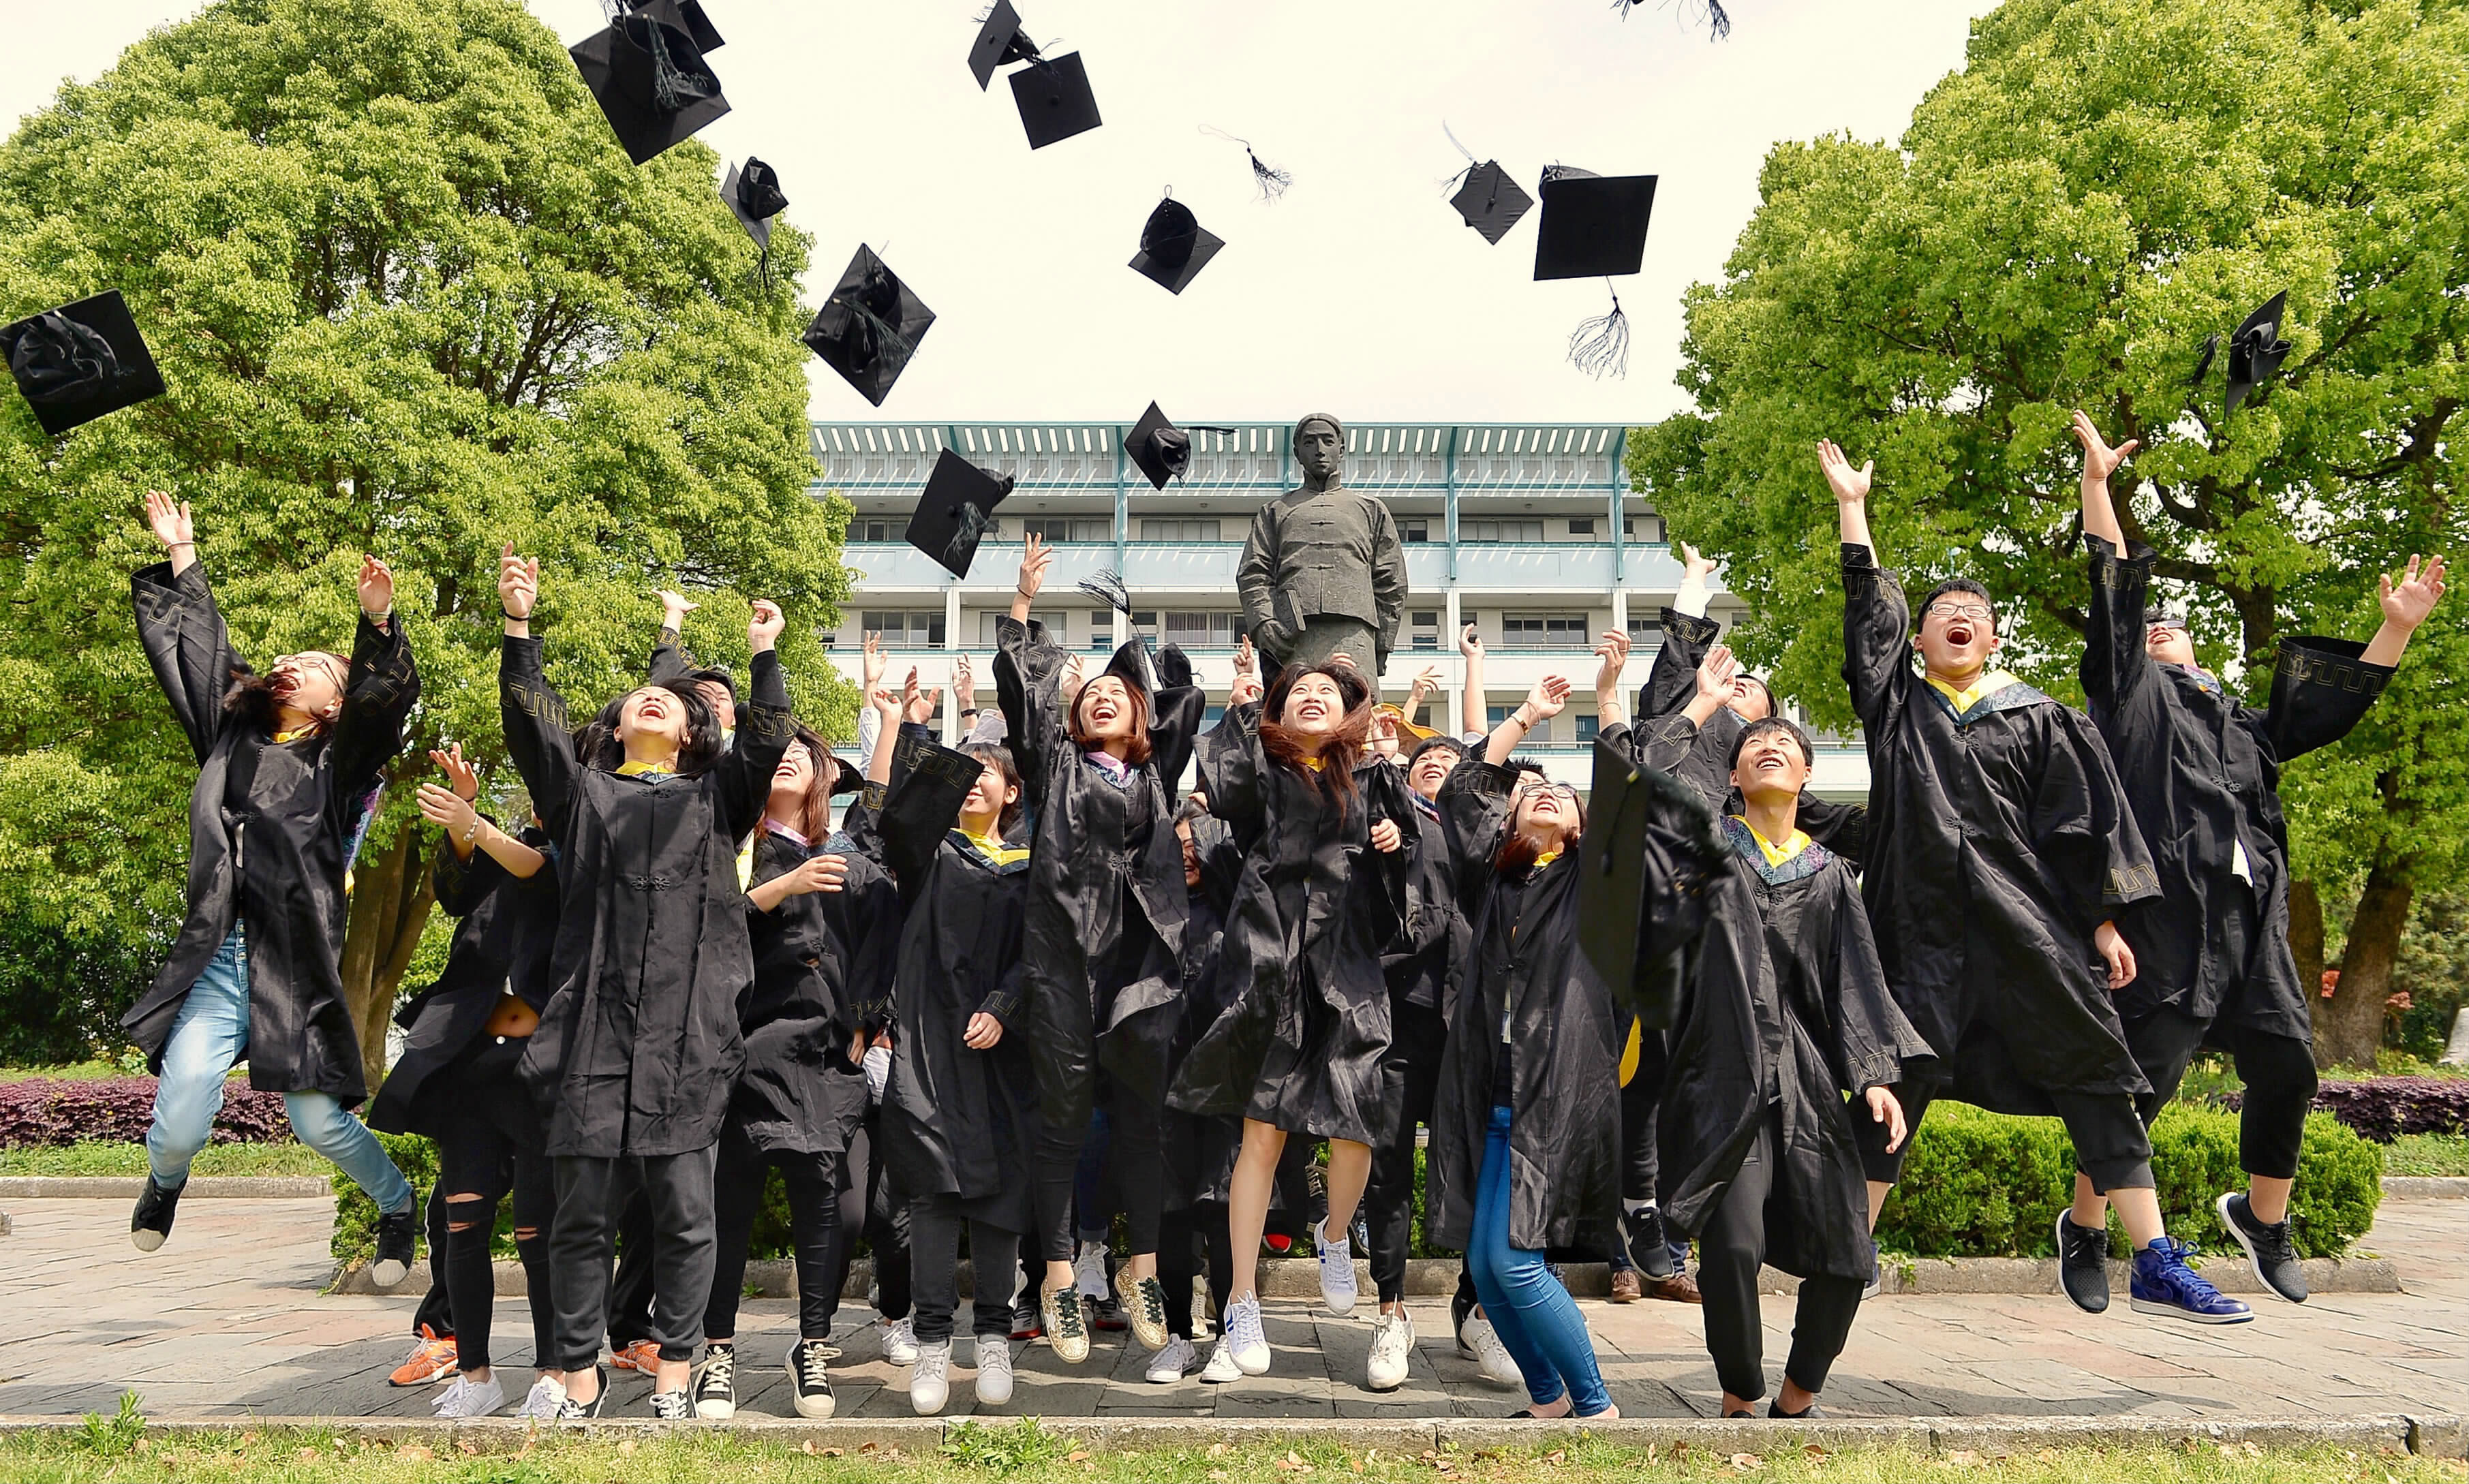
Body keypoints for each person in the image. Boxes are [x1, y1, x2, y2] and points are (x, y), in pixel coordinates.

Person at [1820, 437, 2246, 1325]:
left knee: (2096, 1069)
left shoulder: (2039, 717)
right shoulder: (1895, 709)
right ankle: (1844, 1255)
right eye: (1939, 609)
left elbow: (2082, 824)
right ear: (1921, 638)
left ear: (1993, 635)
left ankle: (2153, 1256)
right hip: (1917, 939)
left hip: (2026, 933)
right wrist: (1852, 510)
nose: (1957, 615)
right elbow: (1868, 620)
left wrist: (2101, 921)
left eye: (1973, 608)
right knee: (1890, 1083)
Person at [2070, 412, 2447, 1304]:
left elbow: (2323, 714)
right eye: (2146, 628)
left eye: (2172, 628)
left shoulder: (2240, 725)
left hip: (2249, 924)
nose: (2157, 628)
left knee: (2288, 1063)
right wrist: (2096, 491)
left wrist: (2391, 632)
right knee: (2142, 1085)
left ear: (2203, 654)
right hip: (2164, 922)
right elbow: (2114, 592)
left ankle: (2262, 1216)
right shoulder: (2131, 707)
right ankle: (2085, 1233)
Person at [496, 547, 793, 1419]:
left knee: (684, 1218)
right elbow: (534, 730)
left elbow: (768, 738)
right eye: (636, 700)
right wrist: (520, 627)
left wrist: (763, 652)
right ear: (619, 729)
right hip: (593, 1031)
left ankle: (675, 1372)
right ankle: (579, 1374)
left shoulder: (715, 800)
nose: (650, 697)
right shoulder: (584, 797)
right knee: (578, 1217)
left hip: (688, 1036)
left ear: (694, 733)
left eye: (665, 698)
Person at [124, 491, 422, 1279]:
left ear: (334, 701)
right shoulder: (233, 735)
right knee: (184, 1107)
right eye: (289, 660)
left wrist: (379, 627)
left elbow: (377, 712)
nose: (292, 665)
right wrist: (184, 555)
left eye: (319, 668)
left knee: (318, 1124)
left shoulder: (338, 765)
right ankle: (164, 1181)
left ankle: (396, 1208)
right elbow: (201, 654)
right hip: (223, 958)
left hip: (294, 965)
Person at [1655, 710, 1932, 1419]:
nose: (1769, 747)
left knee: (1847, 1253)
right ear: (1731, 777)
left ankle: (1798, 1395)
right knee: (1732, 1246)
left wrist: (1873, 1075)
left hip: (1804, 1076)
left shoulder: (1832, 875)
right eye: (1754, 745)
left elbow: (1856, 980)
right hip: (1721, 1071)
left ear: (1805, 776)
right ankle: (1740, 1392)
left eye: (1784, 745)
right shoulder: (1704, 853)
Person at [1169, 657, 1412, 1381]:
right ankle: (1241, 1301)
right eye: (1296, 692)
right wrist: (1245, 707)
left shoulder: (1371, 778)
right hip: (1269, 965)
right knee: (1260, 1135)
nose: (1310, 697)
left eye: (1325, 693)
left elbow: (1403, 880)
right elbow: (1219, 791)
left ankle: (1334, 1234)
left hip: (1345, 969)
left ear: (1348, 714)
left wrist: (1392, 843)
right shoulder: (1261, 772)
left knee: (1353, 1120)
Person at [995, 536, 1206, 1363]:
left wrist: (1138, 647)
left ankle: (1141, 1270)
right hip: (1061, 964)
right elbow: (1027, 698)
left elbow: (1179, 699)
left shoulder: (1154, 780)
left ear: (1140, 717)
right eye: (1093, 697)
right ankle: (1054, 1277)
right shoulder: (1054, 768)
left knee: (1142, 1125)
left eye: (1121, 695)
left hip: (1140, 967)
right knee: (1061, 1122)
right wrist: (1020, 606)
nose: (1104, 701)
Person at [1425, 674, 1621, 1421]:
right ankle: (1547, 1399)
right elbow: (1462, 796)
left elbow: (1630, 819)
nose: (1548, 793)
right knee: (1480, 1264)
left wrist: (1605, 707)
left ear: (1582, 825)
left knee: (1513, 1260)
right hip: (1492, 1094)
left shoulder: (1594, 886)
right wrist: (1527, 719)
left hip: (1556, 1091)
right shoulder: (1493, 885)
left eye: (1565, 795)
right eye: (1533, 791)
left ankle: (1595, 1407)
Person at [692, 727, 889, 1421]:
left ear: (824, 779)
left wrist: (867, 1019)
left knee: (826, 1208)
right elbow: (713, 926)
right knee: (732, 1208)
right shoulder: (734, 844)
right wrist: (786, 885)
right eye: (779, 751)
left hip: (828, 1056)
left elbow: (875, 944)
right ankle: (715, 1352)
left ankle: (812, 1345)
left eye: (804, 755)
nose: (788, 757)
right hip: (750, 1048)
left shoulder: (845, 855)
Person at [369, 745, 564, 1419]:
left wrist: (475, 824)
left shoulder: (588, 861)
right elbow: (459, 888)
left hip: (543, 1070)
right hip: (468, 1066)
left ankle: (553, 1375)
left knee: (540, 1234)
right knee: (464, 1223)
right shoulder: (500, 856)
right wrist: (464, 821)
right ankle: (476, 1374)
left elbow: (540, 872)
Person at [858, 710, 1038, 1417]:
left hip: (1001, 1049)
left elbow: (1040, 951)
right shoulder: (928, 856)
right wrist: (912, 732)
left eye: (984, 771)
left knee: (997, 1197)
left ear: (1014, 792)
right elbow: (895, 822)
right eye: (960, 775)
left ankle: (992, 1334)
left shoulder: (1030, 864)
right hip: (931, 1045)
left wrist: (1006, 1004)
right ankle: (932, 1341)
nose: (970, 783)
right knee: (930, 1193)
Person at [1361, 716, 1469, 1390]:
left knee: (1474, 1167)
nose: (1434, 762)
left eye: (1450, 761)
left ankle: (1477, 1309)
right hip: (1397, 1017)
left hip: (1472, 1027)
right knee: (1389, 1165)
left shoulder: (1492, 842)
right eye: (1423, 758)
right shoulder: (1390, 824)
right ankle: (1389, 1309)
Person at [1148, 799, 1246, 1384]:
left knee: (1223, 1206)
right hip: (1160, 1080)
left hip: (1224, 1081)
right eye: (1177, 844)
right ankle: (1178, 1336)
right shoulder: (1154, 914)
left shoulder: (1236, 913)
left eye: (1196, 844)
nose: (1186, 853)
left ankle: (1234, 1333)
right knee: (1168, 1213)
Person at [1236, 413, 1409, 675]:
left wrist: (1382, 644)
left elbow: (1391, 582)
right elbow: (1253, 573)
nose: (1319, 450)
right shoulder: (1275, 511)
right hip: (1289, 635)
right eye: (1309, 442)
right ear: (1297, 452)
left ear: (1341, 449)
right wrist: (1264, 622)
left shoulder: (1371, 510)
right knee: (1291, 709)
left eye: (1327, 441)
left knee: (1357, 711)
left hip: (1355, 633)